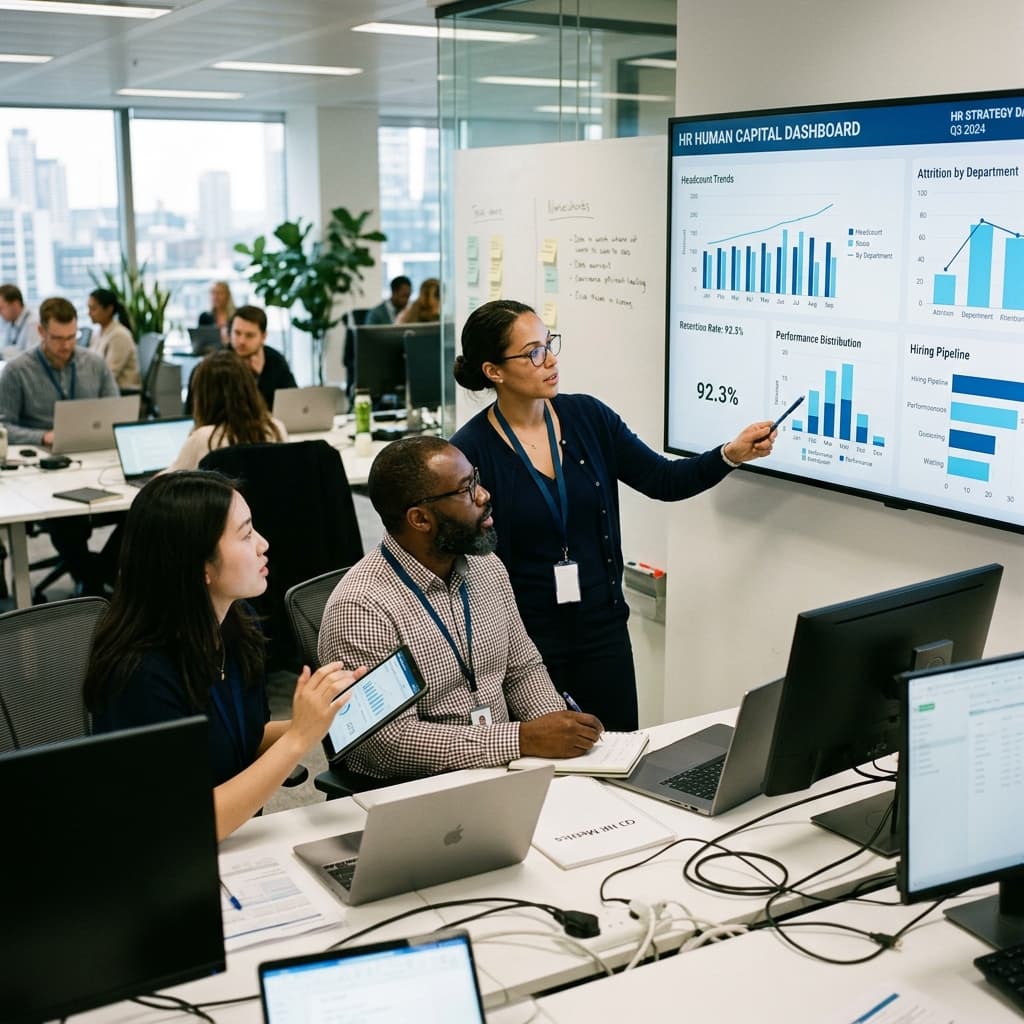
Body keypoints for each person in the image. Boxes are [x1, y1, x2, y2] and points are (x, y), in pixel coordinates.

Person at [450, 299, 777, 732]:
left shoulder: (588, 418)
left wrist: (729, 455)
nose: (550, 360)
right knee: (550, 777)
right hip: (526, 646)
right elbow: (466, 560)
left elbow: (664, 480)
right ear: (494, 371)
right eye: (532, 352)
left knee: (619, 755)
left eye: (549, 344)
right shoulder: (470, 451)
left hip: (603, 631)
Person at [84, 470, 365, 841]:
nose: (263, 544)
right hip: (163, 861)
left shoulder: (234, 624)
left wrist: (322, 717)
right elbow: (189, 822)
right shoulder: (139, 674)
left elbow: (242, 738)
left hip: (239, 841)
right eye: (246, 535)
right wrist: (298, 737)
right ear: (200, 565)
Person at [318, 435, 603, 781]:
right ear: (420, 519)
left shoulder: (487, 568)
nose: (484, 496)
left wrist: (562, 744)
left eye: (477, 480)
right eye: (466, 489)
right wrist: (521, 740)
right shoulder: (362, 608)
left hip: (504, 769)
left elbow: (522, 669)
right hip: (415, 789)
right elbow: (387, 744)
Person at [0, 296, 121, 593]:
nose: (66, 345)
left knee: (142, 512)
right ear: (41, 332)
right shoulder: (16, 371)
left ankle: (95, 573)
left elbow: (119, 412)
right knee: (67, 520)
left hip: (96, 463)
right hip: (44, 471)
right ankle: (93, 583)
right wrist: (43, 437)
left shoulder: (94, 364)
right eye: (57, 338)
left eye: (72, 337)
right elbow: (3, 426)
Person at [169, 350, 287, 471]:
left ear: (204, 397)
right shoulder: (276, 428)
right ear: (249, 389)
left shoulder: (203, 438)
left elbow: (163, 482)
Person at [87, 287, 141, 391]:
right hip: (105, 390)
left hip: (121, 392)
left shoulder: (119, 336)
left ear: (109, 310)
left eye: (93, 309)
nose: (89, 313)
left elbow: (109, 374)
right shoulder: (98, 333)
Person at [0, 283, 40, 356]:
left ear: (15, 304)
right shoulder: (9, 323)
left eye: (1, 308)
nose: (0, 313)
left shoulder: (33, 323)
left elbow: (32, 357)